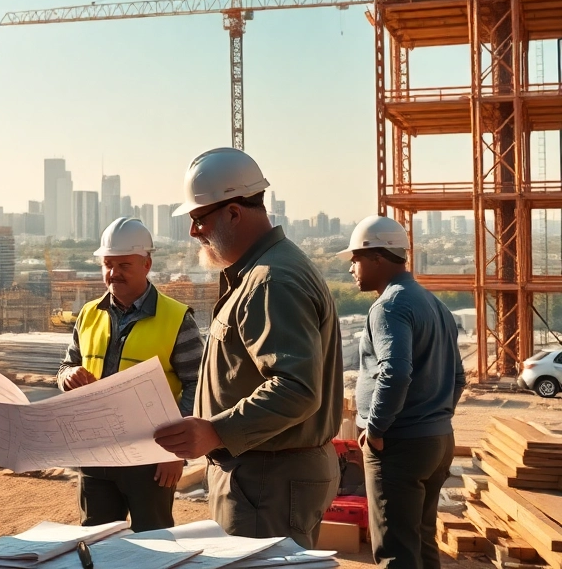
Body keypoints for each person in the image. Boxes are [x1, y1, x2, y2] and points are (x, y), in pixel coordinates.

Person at [154, 148, 342, 549]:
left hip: (266, 479)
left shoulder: (271, 280)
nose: (193, 232)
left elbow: (297, 388)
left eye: (198, 219)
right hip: (264, 475)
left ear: (234, 212)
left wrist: (217, 430)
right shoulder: (259, 272)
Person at [57, 217, 203, 532]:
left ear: (147, 264)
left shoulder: (177, 319)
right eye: (108, 264)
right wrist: (67, 378)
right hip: (96, 453)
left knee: (155, 545)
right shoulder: (89, 314)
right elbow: (66, 366)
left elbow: (198, 386)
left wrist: (173, 450)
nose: (113, 273)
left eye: (124, 265)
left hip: (150, 459)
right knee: (97, 542)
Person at [341, 215, 465, 569]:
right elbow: (457, 377)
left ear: (378, 258)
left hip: (399, 444)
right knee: (423, 540)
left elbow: (395, 371)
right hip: (436, 440)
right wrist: (436, 418)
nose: (352, 268)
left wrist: (377, 428)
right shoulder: (434, 304)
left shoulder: (389, 306)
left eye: (356, 258)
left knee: (395, 548)